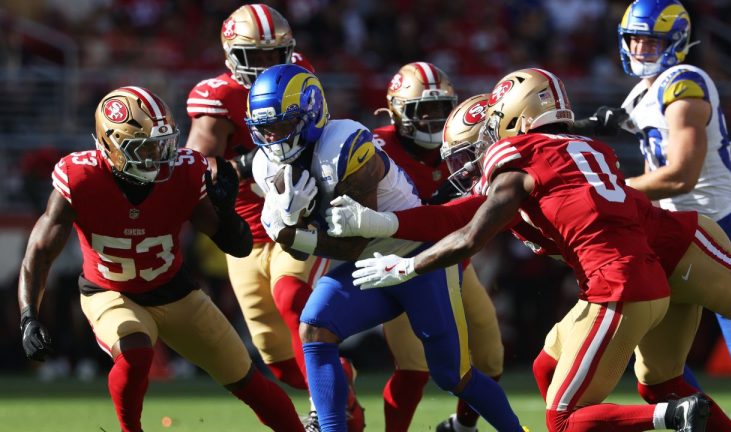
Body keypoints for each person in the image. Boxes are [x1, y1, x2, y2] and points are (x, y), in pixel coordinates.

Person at [340, 68, 713, 432]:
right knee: (543, 366)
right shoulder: (543, 155)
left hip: (620, 282)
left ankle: (673, 415)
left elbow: (458, 228)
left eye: (470, 154)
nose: (464, 170)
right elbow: (452, 212)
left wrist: (393, 246)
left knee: (562, 414)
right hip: (620, 276)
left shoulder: (515, 174)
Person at [249, 63, 525, 432]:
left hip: (418, 257)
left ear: (310, 114)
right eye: (265, 128)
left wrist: (288, 233)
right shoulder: (265, 165)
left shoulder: (345, 147)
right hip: (370, 264)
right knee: (314, 329)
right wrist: (288, 226)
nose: (273, 138)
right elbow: (303, 254)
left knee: (452, 376)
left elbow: (352, 243)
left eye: (283, 125)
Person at [17, 86, 304, 432]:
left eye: (163, 144)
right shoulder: (80, 178)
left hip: (176, 291)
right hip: (110, 291)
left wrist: (227, 212)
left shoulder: (184, 172)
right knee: (136, 353)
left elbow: (238, 246)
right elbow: (39, 251)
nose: (159, 156)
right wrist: (29, 316)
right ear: (111, 146)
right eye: (146, 148)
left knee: (248, 381)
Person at [184, 4, 364, 428]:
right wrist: (230, 170)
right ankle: (342, 391)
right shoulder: (217, 97)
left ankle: (324, 413)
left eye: (274, 53)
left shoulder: (299, 75)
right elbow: (196, 165)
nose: (267, 64)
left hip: (298, 216)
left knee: (293, 300)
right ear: (232, 55)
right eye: (256, 55)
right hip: (247, 234)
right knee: (279, 362)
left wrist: (250, 163)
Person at [572, 0, 731, 386]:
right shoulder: (641, 93)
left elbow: (681, 176)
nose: (639, 50)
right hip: (676, 236)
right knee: (658, 368)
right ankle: (696, 415)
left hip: (720, 230)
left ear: (676, 42)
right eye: (634, 40)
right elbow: (636, 143)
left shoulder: (684, 84)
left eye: (651, 42)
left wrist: (613, 189)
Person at [372, 62, 505, 432]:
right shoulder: (375, 147)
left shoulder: (465, 142)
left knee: (490, 358)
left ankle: (462, 427)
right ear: (397, 110)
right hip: (399, 266)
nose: (433, 119)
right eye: (423, 110)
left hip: (454, 263)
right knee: (413, 369)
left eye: (440, 109)